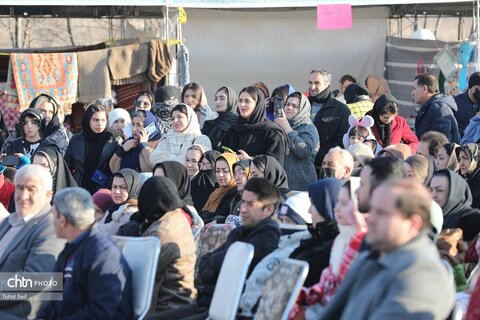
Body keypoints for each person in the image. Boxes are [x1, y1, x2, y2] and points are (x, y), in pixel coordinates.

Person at [318, 179, 456, 319]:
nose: (370, 219)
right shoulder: (371, 257)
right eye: (372, 210)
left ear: (413, 224)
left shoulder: (423, 276)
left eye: (381, 213)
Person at [148, 178, 281, 320]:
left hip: (226, 311)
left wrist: (221, 260)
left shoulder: (269, 237)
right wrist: (225, 259)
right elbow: (204, 269)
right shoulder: (240, 232)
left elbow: (234, 274)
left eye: (250, 204)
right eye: (243, 202)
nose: (242, 209)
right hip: (206, 304)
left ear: (268, 209)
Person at [238, 179, 343, 317]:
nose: (309, 210)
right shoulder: (313, 240)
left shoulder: (329, 249)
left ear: (327, 206)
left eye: (314, 204)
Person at [37, 187, 133, 320]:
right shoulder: (70, 249)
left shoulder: (103, 254)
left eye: (53, 215)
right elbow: (52, 301)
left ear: (62, 220)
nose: (50, 220)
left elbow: (102, 311)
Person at [291, 178, 367, 319]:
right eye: (338, 202)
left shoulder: (361, 246)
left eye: (344, 203)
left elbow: (340, 299)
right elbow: (325, 286)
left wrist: (304, 313)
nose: (336, 208)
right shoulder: (339, 241)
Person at [0, 165, 64, 319]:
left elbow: (33, 280)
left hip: (20, 312)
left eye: (31, 189)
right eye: (20, 188)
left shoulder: (51, 228)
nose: (23, 196)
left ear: (48, 195)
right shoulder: (9, 221)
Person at [136, 177, 197, 313]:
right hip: (183, 300)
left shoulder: (161, 233)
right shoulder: (177, 216)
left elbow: (140, 273)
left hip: (167, 306)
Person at [221, 86, 288, 165]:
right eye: (240, 100)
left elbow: (275, 164)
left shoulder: (272, 133)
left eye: (247, 101)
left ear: (257, 105)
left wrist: (250, 159)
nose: (242, 105)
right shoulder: (233, 130)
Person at [65, 103, 117, 194]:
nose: (100, 124)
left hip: (103, 191)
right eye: (95, 120)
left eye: (103, 120)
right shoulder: (76, 140)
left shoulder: (113, 141)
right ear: (88, 120)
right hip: (78, 189)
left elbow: (116, 169)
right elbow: (67, 166)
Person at [275, 92, 319, 191]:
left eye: (295, 106)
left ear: (302, 109)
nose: (289, 108)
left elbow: (304, 151)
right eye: (287, 104)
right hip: (280, 186)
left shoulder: (308, 128)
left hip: (301, 188)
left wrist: (288, 129)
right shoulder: (279, 126)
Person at [308, 69, 351, 167]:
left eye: (317, 83)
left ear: (327, 84)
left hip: (326, 166)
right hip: (301, 165)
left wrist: (317, 156)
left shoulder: (341, 110)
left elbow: (342, 140)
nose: (312, 87)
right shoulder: (302, 106)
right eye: (310, 83)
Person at [429, 169, 480, 241]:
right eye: (431, 190)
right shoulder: (429, 217)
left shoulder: (474, 221)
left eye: (439, 190)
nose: (433, 195)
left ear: (454, 193)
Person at [412, 73, 461, 143]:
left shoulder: (439, 108)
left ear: (425, 89)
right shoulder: (430, 107)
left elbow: (441, 144)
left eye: (414, 88)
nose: (412, 93)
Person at [96, 168, 140, 235]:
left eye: (123, 187)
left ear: (133, 188)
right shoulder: (112, 206)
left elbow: (108, 231)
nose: (117, 191)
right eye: (114, 187)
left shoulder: (132, 212)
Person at [199, 152, 238, 223]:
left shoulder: (235, 193)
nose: (220, 174)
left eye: (225, 171)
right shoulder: (216, 190)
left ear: (234, 172)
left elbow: (221, 215)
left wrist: (204, 214)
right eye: (217, 171)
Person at [454, 72, 480, 136]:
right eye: (479, 87)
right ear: (470, 87)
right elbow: (451, 129)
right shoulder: (456, 102)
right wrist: (464, 131)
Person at [456, 143, 480, 209]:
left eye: (465, 158)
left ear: (475, 159)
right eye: (459, 159)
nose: (461, 163)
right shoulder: (461, 180)